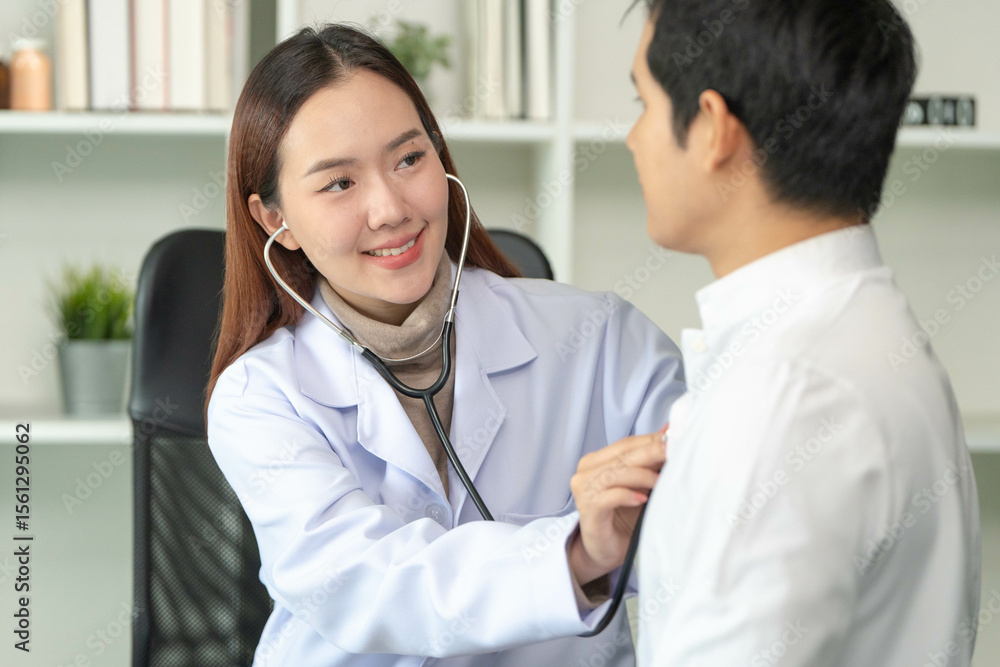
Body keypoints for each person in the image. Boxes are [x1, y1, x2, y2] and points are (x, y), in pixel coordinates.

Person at [204, 24, 683, 667]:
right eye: (339, 183)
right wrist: (574, 554)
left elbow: (716, 527)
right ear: (276, 220)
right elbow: (362, 583)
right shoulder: (260, 396)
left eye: (408, 159)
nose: (390, 209)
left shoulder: (600, 340)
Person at [625, 0, 981, 664]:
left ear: (713, 128)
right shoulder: (859, 332)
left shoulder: (786, 392)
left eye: (643, 103)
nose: (633, 138)